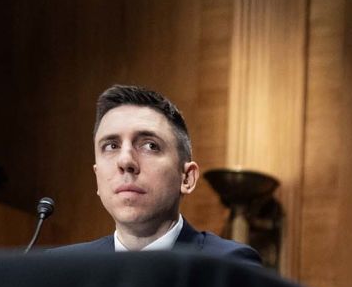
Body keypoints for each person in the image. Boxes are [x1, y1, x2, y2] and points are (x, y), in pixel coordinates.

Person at [56, 85, 260, 262]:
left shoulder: (230, 266)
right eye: (111, 146)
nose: (125, 161)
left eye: (150, 145)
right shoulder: (62, 269)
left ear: (187, 178)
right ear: (97, 176)